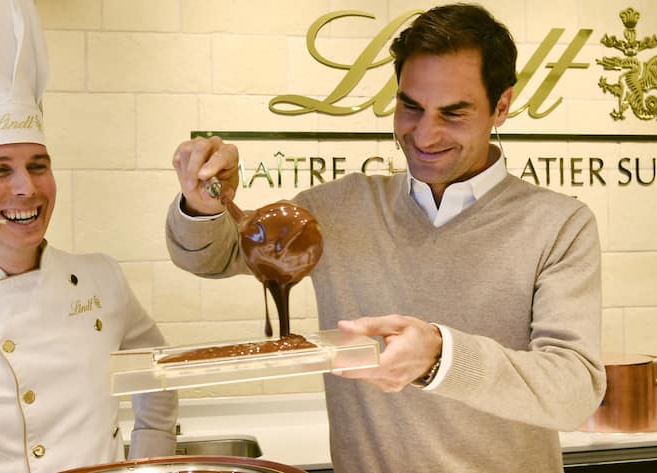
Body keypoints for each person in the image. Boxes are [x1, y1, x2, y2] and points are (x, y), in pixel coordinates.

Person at [166, 3, 606, 472]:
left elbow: (573, 393)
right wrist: (204, 202)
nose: (424, 134)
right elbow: (212, 257)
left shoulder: (559, 224)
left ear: (501, 105)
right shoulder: (337, 210)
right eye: (409, 107)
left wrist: (439, 357)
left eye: (454, 113)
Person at [0, 1, 177, 472]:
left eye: (38, 165)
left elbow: (157, 374)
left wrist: (147, 461)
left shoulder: (101, 279)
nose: (27, 187)